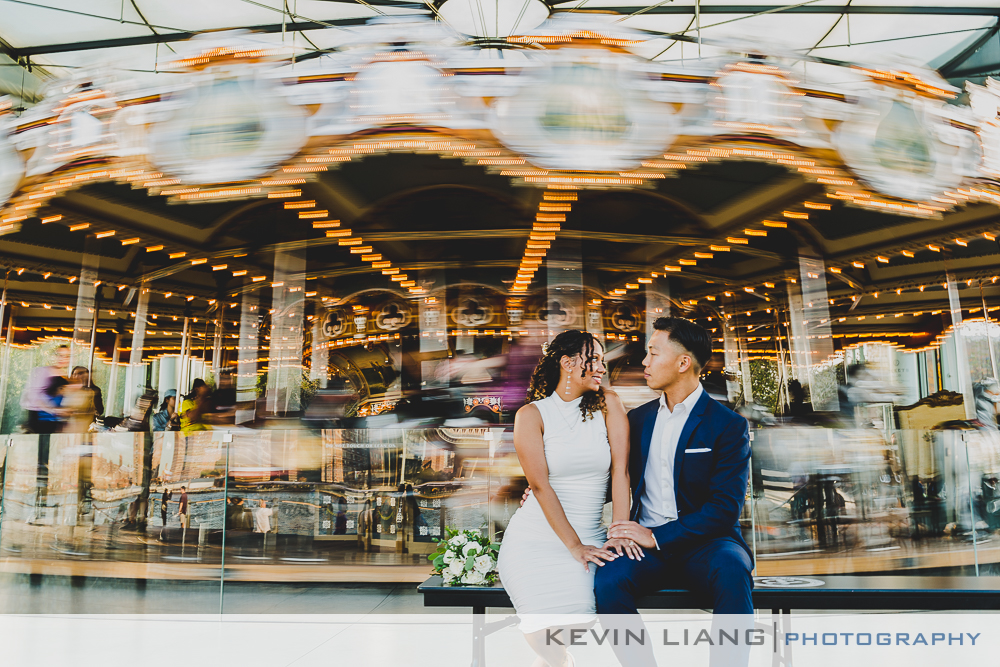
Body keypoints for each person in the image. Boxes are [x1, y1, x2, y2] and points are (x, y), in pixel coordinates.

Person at [597, 317, 753, 667]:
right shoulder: (637, 420)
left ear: (684, 363)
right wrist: (544, 490)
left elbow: (724, 509)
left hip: (708, 543)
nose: (645, 362)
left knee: (733, 569)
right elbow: (613, 479)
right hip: (644, 548)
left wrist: (656, 535)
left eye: (653, 353)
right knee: (607, 581)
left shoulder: (727, 425)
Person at [497, 330, 634, 667]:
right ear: (568, 363)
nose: (602, 367)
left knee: (579, 614)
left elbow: (621, 473)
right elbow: (540, 486)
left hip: (590, 532)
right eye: (595, 359)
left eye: (603, 360)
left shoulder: (609, 404)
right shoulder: (531, 415)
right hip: (535, 539)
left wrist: (618, 531)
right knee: (538, 621)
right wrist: (574, 546)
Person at [20, 345, 70, 433]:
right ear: (54, 356)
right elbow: (33, 397)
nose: (63, 359)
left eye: (66, 356)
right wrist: (53, 410)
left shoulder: (64, 376)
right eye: (60, 355)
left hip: (54, 420)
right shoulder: (42, 371)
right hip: (38, 419)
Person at [63, 366, 96, 433]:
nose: (77, 376)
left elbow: (94, 410)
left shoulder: (90, 392)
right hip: (67, 426)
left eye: (80, 374)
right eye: (75, 374)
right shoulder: (65, 390)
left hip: (82, 426)